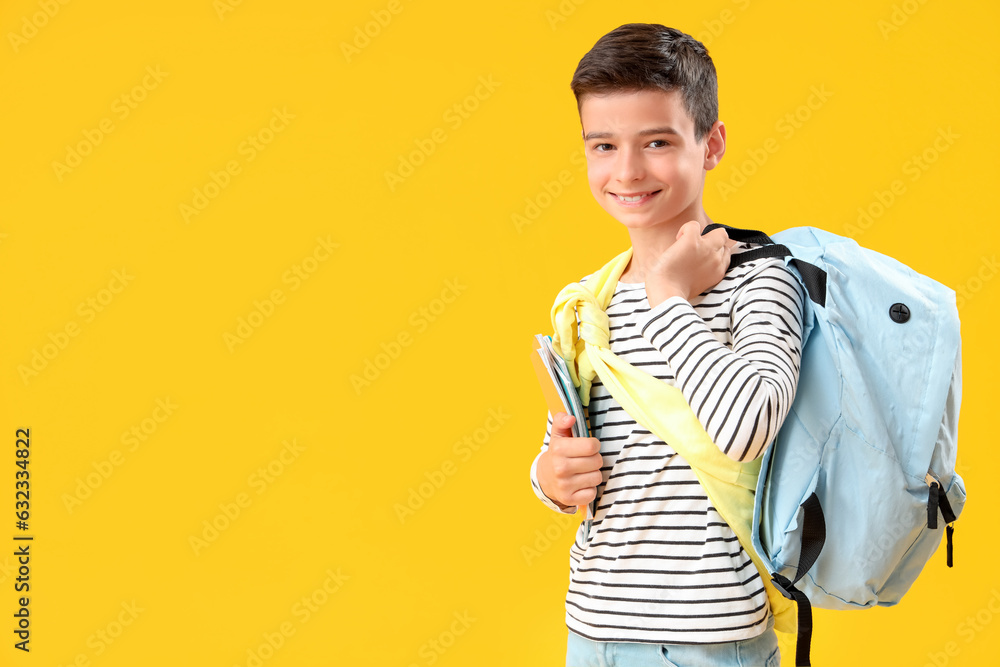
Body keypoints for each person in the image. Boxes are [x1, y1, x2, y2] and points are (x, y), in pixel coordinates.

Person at [528, 23, 805, 667]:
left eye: (657, 142)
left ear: (711, 145)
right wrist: (549, 477)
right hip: (592, 628)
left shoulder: (760, 279)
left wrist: (670, 296)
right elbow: (569, 450)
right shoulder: (590, 298)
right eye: (603, 145)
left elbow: (744, 430)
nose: (626, 171)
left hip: (710, 638)